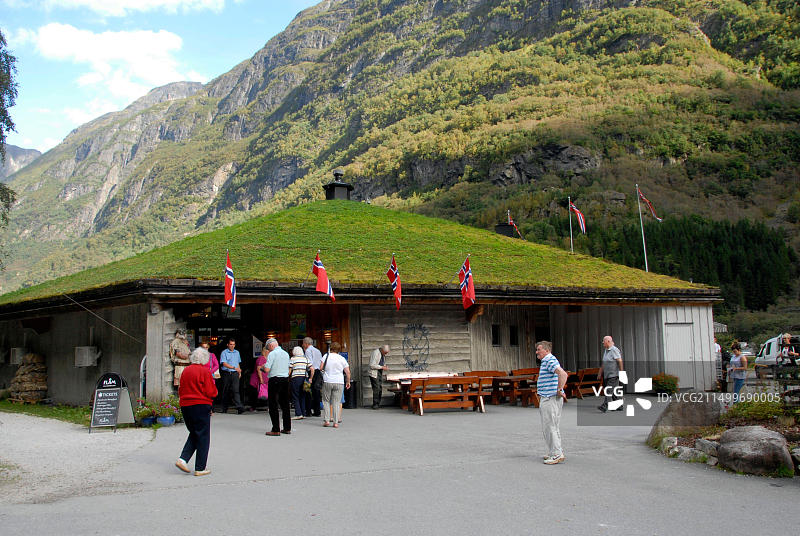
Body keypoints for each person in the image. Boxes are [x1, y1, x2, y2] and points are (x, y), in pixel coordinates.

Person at [175, 346, 218, 476]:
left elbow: (180, 390)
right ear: (205, 359)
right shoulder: (205, 371)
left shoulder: (186, 371)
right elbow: (211, 391)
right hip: (201, 404)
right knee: (203, 435)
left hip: (185, 405)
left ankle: (183, 459)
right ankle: (200, 467)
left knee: (195, 432)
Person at [535, 340, 568, 465]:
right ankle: (554, 451)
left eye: (539, 349)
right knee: (552, 425)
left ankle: (556, 454)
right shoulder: (548, 360)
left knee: (550, 426)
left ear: (547, 350)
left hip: (550, 397)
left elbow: (563, 374)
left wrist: (560, 389)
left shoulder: (549, 360)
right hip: (549, 397)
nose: (537, 352)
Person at [261, 338, 292, 436]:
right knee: (285, 404)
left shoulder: (272, 354)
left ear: (270, 345)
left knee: (273, 404)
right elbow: (289, 368)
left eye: (268, 348)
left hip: (274, 379)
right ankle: (287, 428)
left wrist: (261, 367)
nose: (268, 350)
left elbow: (266, 369)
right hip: (285, 379)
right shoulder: (286, 354)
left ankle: (276, 429)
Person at [320, 341, 350, 428]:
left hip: (327, 380)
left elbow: (321, 367)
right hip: (339, 381)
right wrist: (348, 382)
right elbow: (347, 372)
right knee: (336, 402)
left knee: (326, 401)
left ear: (331, 348)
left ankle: (327, 420)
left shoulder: (326, 356)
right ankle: (336, 422)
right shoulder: (342, 359)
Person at [218, 338, 245, 414]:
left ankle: (239, 407)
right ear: (228, 345)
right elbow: (224, 363)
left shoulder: (237, 352)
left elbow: (237, 363)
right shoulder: (224, 352)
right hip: (226, 373)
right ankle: (224, 408)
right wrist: (234, 367)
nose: (232, 346)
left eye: (233, 344)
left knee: (236, 390)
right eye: (231, 344)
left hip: (235, 373)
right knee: (225, 390)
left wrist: (239, 372)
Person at [597, 335, 623, 412]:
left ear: (608, 341)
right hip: (607, 375)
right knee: (614, 391)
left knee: (608, 390)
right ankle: (619, 406)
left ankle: (604, 406)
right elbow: (604, 363)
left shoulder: (614, 350)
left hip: (613, 375)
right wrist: (599, 373)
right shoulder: (606, 350)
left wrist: (621, 372)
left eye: (604, 342)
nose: (603, 344)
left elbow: (620, 361)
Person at [303, 337, 323, 417]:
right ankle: (317, 411)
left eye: (303, 343)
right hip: (318, 371)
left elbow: (309, 363)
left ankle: (308, 411)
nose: (303, 345)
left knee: (308, 391)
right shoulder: (317, 350)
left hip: (311, 371)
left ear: (306, 343)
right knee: (316, 392)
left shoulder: (308, 351)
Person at [289, 346, 310, 420]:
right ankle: (303, 413)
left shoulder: (293, 359)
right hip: (305, 378)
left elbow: (290, 370)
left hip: (296, 378)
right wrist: (311, 378)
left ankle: (298, 413)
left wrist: (287, 377)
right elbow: (312, 368)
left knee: (295, 396)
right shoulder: (306, 359)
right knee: (303, 396)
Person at [368, 345, 390, 409]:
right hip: (374, 372)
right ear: (382, 350)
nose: (386, 354)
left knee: (379, 388)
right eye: (385, 352)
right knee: (376, 388)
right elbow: (372, 365)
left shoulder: (382, 354)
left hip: (379, 372)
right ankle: (375, 404)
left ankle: (378, 403)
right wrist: (382, 367)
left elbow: (381, 362)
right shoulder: (375, 353)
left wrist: (384, 366)